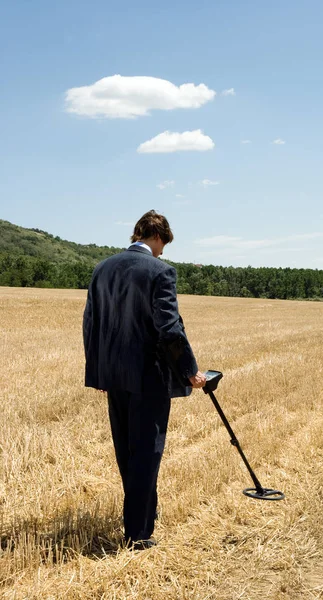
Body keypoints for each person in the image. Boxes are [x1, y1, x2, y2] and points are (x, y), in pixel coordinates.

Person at [83, 210, 206, 549]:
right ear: (157, 237)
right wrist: (189, 371)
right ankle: (138, 533)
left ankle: (141, 512)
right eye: (162, 246)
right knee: (147, 452)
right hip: (148, 377)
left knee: (126, 450)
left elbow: (90, 323)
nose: (162, 253)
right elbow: (169, 328)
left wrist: (98, 370)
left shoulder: (101, 268)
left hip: (113, 375)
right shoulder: (160, 271)